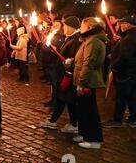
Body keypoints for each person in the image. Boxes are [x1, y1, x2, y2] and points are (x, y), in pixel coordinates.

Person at [41, 16, 81, 133]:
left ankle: (70, 123)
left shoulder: (76, 39)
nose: (64, 29)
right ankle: (59, 122)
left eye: (66, 26)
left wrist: (69, 64)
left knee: (66, 99)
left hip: (67, 75)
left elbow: (74, 57)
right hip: (64, 74)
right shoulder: (71, 38)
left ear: (71, 27)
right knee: (64, 99)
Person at [72, 17, 106, 149]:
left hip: (88, 81)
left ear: (90, 27)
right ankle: (84, 133)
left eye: (83, 26)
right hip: (85, 79)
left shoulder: (93, 41)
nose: (81, 28)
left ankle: (94, 139)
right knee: (83, 108)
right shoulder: (89, 40)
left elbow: (89, 63)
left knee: (89, 110)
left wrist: (81, 83)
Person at [103, 16, 136, 129]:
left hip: (126, 73)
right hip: (132, 73)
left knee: (121, 97)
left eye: (122, 24)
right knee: (132, 96)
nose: (120, 26)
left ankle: (117, 120)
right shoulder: (128, 37)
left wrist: (114, 66)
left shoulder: (128, 39)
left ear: (127, 25)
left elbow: (124, 57)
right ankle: (133, 119)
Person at [42, 20, 65, 107]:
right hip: (48, 63)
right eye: (54, 25)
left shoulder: (61, 37)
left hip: (55, 64)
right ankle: (52, 100)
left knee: (56, 84)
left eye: (57, 25)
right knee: (52, 83)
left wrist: (52, 48)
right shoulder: (51, 36)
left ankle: (56, 102)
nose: (55, 26)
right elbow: (44, 47)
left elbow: (58, 49)